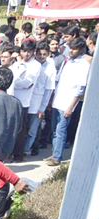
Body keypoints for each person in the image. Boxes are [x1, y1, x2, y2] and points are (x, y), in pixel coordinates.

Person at [46, 37, 91, 166]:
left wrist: (71, 107)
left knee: (61, 130)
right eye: (70, 48)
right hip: (58, 100)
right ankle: (54, 152)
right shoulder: (67, 61)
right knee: (54, 129)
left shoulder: (83, 65)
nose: (71, 51)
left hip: (67, 103)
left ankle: (57, 157)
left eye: (74, 48)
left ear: (81, 50)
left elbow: (80, 88)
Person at [7, 40, 42, 162]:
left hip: (24, 101)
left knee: (21, 130)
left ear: (33, 52)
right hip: (12, 98)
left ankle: (18, 155)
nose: (25, 54)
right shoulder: (16, 63)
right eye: (23, 51)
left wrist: (12, 82)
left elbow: (27, 83)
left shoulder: (36, 66)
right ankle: (9, 152)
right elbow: (9, 77)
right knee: (10, 128)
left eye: (28, 52)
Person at [24, 42, 57, 156]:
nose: (41, 56)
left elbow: (48, 90)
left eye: (44, 54)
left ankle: (27, 149)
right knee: (23, 129)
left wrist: (42, 108)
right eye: (39, 54)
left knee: (33, 130)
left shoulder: (50, 68)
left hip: (38, 103)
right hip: (26, 101)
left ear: (48, 54)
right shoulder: (30, 63)